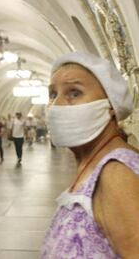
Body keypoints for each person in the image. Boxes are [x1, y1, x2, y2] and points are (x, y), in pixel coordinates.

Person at [40, 52, 139, 258]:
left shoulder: (117, 174)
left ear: (110, 105)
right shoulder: (95, 163)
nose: (56, 105)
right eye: (52, 94)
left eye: (74, 93)